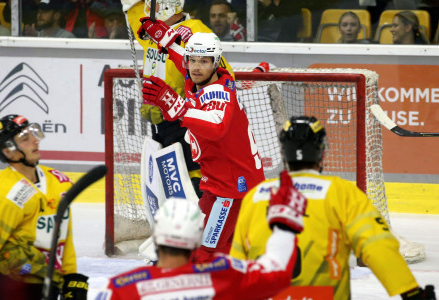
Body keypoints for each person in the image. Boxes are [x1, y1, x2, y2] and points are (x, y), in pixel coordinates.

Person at [230, 116, 437, 300]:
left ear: (284, 152)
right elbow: (377, 246)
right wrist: (411, 292)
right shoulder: (341, 192)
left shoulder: (256, 196)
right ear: (322, 152)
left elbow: (238, 262)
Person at [138, 24, 266, 262]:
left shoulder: (219, 93)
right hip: (219, 183)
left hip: (231, 188)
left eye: (204, 61)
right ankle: (253, 275)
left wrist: (176, 106)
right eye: (192, 60)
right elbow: (181, 60)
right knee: (208, 245)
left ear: (216, 63)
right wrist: (167, 40)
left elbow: (216, 126)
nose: (196, 67)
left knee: (202, 251)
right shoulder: (197, 79)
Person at [0, 115, 88, 300]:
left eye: (33, 134)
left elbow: (62, 237)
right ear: (8, 151)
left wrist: (70, 277)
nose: (35, 140)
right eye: (25, 139)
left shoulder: (58, 182)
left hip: (49, 285)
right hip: (11, 288)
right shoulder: (2, 192)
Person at [96, 190, 306, 299]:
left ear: (157, 235)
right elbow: (277, 272)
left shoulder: (121, 287)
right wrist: (283, 226)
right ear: (197, 237)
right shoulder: (225, 274)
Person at [121, 0, 235, 201]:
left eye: (153, 5)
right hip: (161, 121)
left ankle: (202, 221)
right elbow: (137, 14)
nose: (149, 9)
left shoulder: (196, 32)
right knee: (170, 180)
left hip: (185, 118)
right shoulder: (153, 30)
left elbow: (223, 77)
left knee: (192, 177)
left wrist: (195, 106)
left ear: (168, 6)